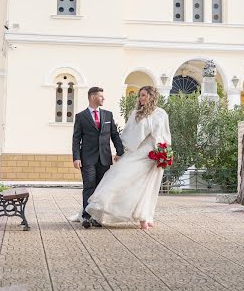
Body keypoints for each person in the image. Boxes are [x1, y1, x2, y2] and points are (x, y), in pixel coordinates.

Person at [86, 85, 171, 230]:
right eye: (140, 95)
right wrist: (121, 152)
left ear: (151, 96)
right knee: (119, 177)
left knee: (147, 186)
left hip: (153, 155)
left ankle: (145, 216)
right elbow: (128, 134)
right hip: (137, 153)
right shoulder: (136, 113)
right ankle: (101, 205)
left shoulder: (161, 114)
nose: (140, 98)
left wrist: (164, 153)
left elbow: (164, 135)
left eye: (143, 95)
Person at [72, 86, 124, 229]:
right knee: (89, 187)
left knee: (101, 189)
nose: (103, 98)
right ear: (93, 97)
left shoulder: (108, 115)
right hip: (87, 158)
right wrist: (76, 157)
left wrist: (120, 152)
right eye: (101, 96)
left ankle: (96, 217)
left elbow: (114, 135)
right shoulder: (81, 117)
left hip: (104, 158)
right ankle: (86, 217)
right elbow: (76, 139)